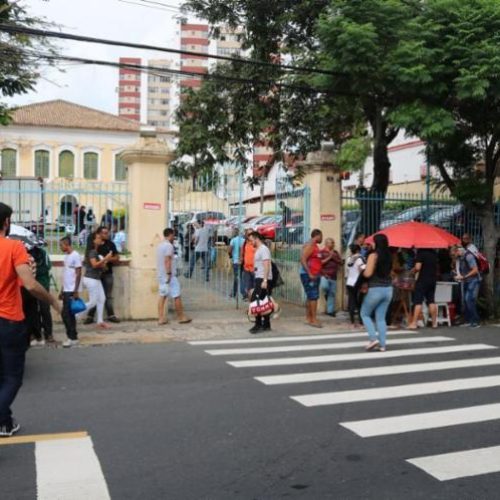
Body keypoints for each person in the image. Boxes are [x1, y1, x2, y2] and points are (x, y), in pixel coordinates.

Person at [0, 203, 60, 437]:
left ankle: (4, 423)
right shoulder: (14, 247)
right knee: (12, 378)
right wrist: (53, 301)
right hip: (8, 321)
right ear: (7, 223)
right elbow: (30, 284)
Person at [360, 233, 393, 352]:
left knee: (365, 314)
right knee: (381, 318)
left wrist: (361, 270)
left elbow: (368, 274)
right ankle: (383, 345)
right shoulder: (390, 256)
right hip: (388, 289)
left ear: (377, 243)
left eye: (373, 242)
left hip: (375, 289)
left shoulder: (373, 255)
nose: (371, 244)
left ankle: (373, 338)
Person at [84, 226, 121, 324]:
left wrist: (107, 259)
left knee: (105, 297)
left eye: (107, 232)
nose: (106, 235)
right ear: (98, 235)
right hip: (94, 277)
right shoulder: (93, 249)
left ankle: (107, 317)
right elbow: (94, 264)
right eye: (104, 233)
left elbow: (117, 257)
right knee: (94, 299)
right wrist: (105, 259)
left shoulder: (110, 244)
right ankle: (86, 315)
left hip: (106, 274)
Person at [78, 232, 113, 330]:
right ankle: (74, 315)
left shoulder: (95, 252)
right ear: (93, 240)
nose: (100, 239)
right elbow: (94, 265)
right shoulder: (92, 252)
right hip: (91, 279)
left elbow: (101, 267)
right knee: (93, 302)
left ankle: (100, 321)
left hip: (96, 279)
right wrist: (105, 259)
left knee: (102, 299)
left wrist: (104, 261)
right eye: (98, 238)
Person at [157, 228, 192, 325]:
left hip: (161, 275)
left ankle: (161, 318)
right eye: (173, 235)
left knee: (162, 296)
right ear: (170, 235)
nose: (174, 237)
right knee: (176, 295)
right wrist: (169, 273)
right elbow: (167, 260)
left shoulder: (160, 245)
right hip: (169, 276)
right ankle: (181, 317)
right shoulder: (169, 246)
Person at [59, 237, 83, 347]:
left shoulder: (75, 255)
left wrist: (76, 290)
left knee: (66, 314)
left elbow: (78, 273)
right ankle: (73, 336)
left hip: (72, 290)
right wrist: (62, 289)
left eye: (61, 245)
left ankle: (72, 337)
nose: (60, 247)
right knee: (68, 315)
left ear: (66, 244)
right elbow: (65, 274)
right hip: (66, 289)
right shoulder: (66, 257)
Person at [249, 232, 273, 334]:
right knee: (263, 301)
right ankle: (266, 324)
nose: (250, 242)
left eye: (251, 240)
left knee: (255, 301)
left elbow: (266, 265)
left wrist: (265, 280)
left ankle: (258, 324)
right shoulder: (259, 249)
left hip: (263, 278)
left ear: (256, 238)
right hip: (259, 277)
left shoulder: (263, 249)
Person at [408, 248, 439, 329]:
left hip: (422, 280)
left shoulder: (421, 253)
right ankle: (434, 323)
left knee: (418, 301)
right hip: (432, 280)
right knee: (431, 301)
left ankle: (414, 323)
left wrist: (412, 271)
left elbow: (418, 267)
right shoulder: (434, 253)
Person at [300, 229, 324, 328]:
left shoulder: (313, 245)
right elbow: (303, 259)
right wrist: (309, 273)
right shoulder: (311, 245)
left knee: (310, 296)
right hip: (310, 275)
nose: (322, 238)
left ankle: (309, 318)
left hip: (313, 274)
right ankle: (313, 319)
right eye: (321, 236)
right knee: (313, 296)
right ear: (317, 235)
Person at [32, 245, 54, 345]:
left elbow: (48, 266)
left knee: (44, 310)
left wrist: (35, 270)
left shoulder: (43, 253)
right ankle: (37, 334)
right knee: (34, 311)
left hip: (43, 285)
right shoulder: (26, 253)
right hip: (32, 286)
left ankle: (48, 333)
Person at [456, 246, 481, 328]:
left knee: (469, 299)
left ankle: (475, 321)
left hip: (473, 280)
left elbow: (475, 270)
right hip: (467, 281)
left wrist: (464, 277)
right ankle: (468, 321)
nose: (454, 254)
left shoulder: (468, 256)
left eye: (455, 252)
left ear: (459, 251)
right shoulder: (460, 258)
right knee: (466, 301)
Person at [319, 238, 342, 317]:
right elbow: (320, 263)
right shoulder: (322, 252)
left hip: (333, 276)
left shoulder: (335, 253)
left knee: (332, 294)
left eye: (333, 243)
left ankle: (330, 311)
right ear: (326, 243)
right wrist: (329, 257)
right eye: (331, 243)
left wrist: (334, 257)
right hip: (324, 275)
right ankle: (326, 294)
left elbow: (340, 262)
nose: (333, 244)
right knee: (325, 287)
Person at [345, 244, 366, 327]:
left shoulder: (349, 259)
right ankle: (361, 320)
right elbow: (363, 269)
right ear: (358, 250)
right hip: (358, 282)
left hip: (349, 282)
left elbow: (347, 270)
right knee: (360, 302)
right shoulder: (360, 259)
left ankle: (352, 320)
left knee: (352, 301)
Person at [228, 228, 245, 299]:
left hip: (236, 261)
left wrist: (230, 256)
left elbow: (230, 250)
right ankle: (243, 293)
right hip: (243, 261)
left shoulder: (233, 240)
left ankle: (234, 293)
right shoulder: (244, 240)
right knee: (242, 277)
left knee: (236, 277)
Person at [241, 229, 256, 300]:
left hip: (255, 269)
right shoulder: (245, 243)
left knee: (255, 287)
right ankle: (251, 305)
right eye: (248, 234)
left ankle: (256, 303)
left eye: (251, 234)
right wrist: (240, 260)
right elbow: (242, 254)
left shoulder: (256, 243)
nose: (250, 236)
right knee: (248, 288)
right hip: (246, 268)